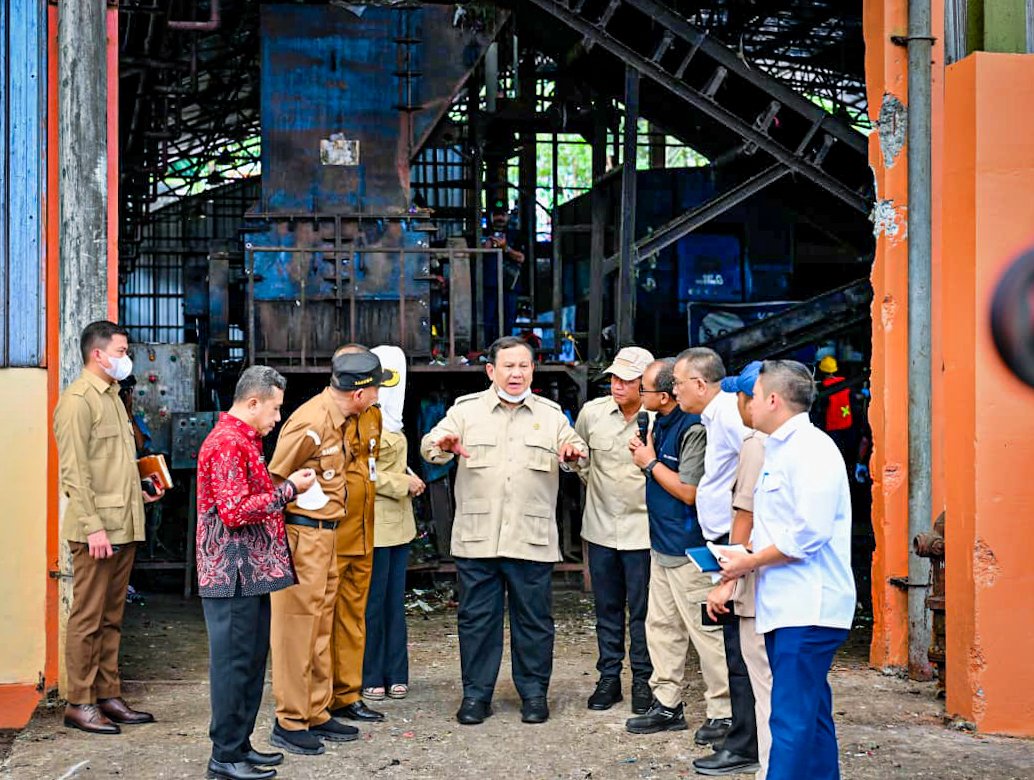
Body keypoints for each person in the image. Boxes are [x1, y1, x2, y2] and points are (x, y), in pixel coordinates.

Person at [420, 336, 587, 726]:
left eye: (523, 366)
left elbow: (578, 452)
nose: (516, 373)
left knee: (534, 621)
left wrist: (574, 456)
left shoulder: (550, 415)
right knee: (478, 621)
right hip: (479, 538)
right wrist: (442, 444)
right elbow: (431, 447)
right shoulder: (466, 411)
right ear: (491, 371)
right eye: (508, 366)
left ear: (532, 370)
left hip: (530, 538)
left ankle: (533, 695)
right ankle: (476, 696)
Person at [718, 360, 855, 780]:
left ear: (774, 400)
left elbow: (807, 534)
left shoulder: (810, 450)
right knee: (810, 719)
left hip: (807, 607)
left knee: (790, 722)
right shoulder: (780, 448)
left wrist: (749, 560)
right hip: (787, 606)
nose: (749, 405)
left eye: (754, 396)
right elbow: (779, 527)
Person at [265, 350, 393, 754]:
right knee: (296, 631)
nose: (377, 396)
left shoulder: (345, 418)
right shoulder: (311, 422)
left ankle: (316, 711)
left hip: (329, 535)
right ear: (359, 393)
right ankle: (289, 720)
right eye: (375, 388)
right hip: (303, 537)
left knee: (320, 627)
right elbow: (275, 479)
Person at [195, 366, 315, 780]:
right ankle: (225, 756)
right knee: (233, 666)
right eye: (275, 409)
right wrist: (289, 491)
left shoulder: (244, 440)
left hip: (247, 573)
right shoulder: (229, 443)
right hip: (232, 575)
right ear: (253, 402)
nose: (278, 418)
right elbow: (234, 512)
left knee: (248, 663)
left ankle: (238, 746)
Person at [54, 321, 163, 736]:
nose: (125, 356)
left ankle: (107, 694)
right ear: (98, 355)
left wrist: (142, 489)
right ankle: (79, 702)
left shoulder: (114, 398)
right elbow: (74, 474)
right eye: (121, 350)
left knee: (112, 616)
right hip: (96, 531)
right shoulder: (78, 402)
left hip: (124, 522)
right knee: (88, 616)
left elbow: (113, 466)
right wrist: (93, 528)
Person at [624, 359, 732, 746]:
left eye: (645, 390)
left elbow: (690, 491)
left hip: (692, 551)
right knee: (662, 629)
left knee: (707, 634)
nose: (639, 395)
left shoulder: (694, 429)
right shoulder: (659, 423)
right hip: (663, 547)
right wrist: (648, 456)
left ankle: (723, 712)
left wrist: (649, 463)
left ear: (666, 396)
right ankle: (667, 704)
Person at [672, 348, 759, 776]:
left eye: (678, 382)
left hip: (736, 541)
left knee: (740, 646)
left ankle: (745, 741)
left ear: (700, 385)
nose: (674, 390)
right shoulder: (716, 414)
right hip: (725, 537)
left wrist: (736, 542)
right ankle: (742, 731)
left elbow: (752, 471)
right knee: (733, 642)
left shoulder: (729, 415)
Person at [574, 346, 656, 715]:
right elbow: (582, 463)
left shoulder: (659, 419)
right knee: (606, 609)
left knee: (643, 612)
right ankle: (609, 677)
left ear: (646, 383)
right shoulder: (593, 414)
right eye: (614, 378)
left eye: (627, 380)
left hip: (645, 532)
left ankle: (643, 680)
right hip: (602, 528)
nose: (617, 385)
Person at [706, 361, 773, 779]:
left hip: (756, 575)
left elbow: (743, 520)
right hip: (791, 587)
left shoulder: (755, 444)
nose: (737, 403)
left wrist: (726, 583)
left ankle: (761, 757)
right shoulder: (814, 445)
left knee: (757, 676)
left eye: (741, 397)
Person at [328, 344, 389, 724]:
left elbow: (370, 466)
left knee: (353, 618)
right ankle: (320, 698)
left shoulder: (373, 416)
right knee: (323, 622)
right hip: (332, 536)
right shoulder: (321, 420)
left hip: (363, 533)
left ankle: (348, 694)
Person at [362, 346, 425, 701]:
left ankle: (395, 672)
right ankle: (372, 673)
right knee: (373, 603)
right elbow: (361, 473)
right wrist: (404, 482)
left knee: (393, 603)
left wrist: (407, 474)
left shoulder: (392, 419)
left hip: (398, 525)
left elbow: (389, 465)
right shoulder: (365, 420)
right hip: (375, 524)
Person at [480, 199, 525, 344]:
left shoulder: (516, 235)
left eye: (503, 215)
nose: (500, 218)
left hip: (509, 286)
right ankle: (487, 353)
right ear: (491, 216)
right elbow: (468, 255)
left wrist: (506, 248)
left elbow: (522, 258)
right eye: (496, 215)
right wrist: (483, 249)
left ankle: (504, 352)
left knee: (507, 323)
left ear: (508, 216)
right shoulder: (482, 233)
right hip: (488, 286)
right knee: (487, 322)